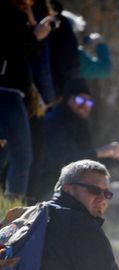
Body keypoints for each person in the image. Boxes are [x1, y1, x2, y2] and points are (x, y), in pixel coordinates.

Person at [40, 79, 119, 200]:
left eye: (89, 102)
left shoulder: (80, 126)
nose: (84, 105)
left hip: (69, 188)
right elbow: (62, 162)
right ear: (67, 99)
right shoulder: (54, 122)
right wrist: (100, 152)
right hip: (46, 189)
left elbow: (89, 164)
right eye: (79, 99)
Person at [0, 0, 54, 199]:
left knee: (6, 150)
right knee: (22, 153)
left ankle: (7, 206)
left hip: (13, 91)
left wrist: (33, 27)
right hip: (7, 90)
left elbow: (28, 52)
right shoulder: (8, 11)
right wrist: (34, 35)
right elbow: (12, 51)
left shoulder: (21, 11)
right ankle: (12, 209)